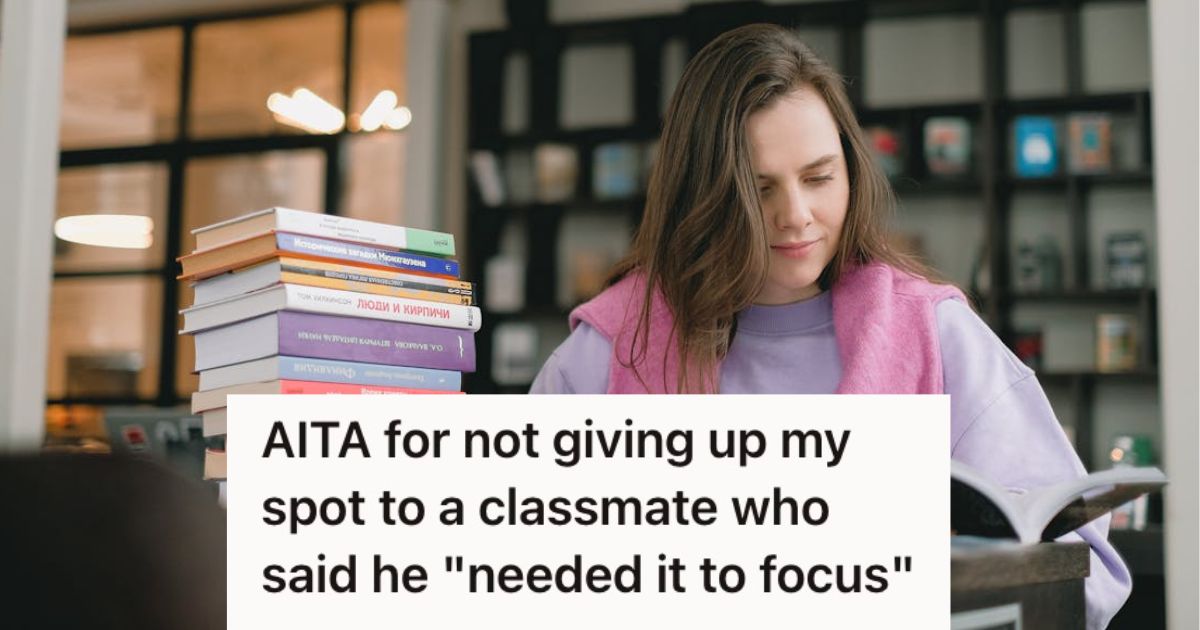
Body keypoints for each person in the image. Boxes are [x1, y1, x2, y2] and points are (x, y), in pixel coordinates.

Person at [530, 23, 1130, 628]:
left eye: (819, 177)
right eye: (757, 189)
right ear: (700, 195)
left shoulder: (940, 337)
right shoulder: (605, 355)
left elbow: (1090, 574)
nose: (796, 216)